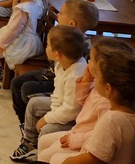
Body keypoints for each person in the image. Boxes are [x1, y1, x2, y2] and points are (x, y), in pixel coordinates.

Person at [63, 43, 135, 164]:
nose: (94, 78)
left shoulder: (112, 120)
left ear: (108, 88)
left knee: (54, 157)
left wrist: (66, 161)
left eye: (97, 76)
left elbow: (94, 159)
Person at [10, 0, 100, 131]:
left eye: (61, 13)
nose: (57, 15)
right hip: (53, 74)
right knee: (17, 83)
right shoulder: (61, 36)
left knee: (27, 89)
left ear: (72, 23)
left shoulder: (84, 48)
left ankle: (35, 123)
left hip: (64, 84)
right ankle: (25, 121)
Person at [10, 25, 87, 161]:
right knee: (34, 103)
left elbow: (70, 111)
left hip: (75, 118)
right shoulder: (61, 63)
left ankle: (40, 156)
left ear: (57, 54)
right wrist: (52, 112)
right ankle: (30, 142)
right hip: (63, 107)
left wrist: (47, 119)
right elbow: (57, 93)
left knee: (47, 130)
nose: (46, 48)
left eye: (48, 45)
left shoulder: (75, 76)